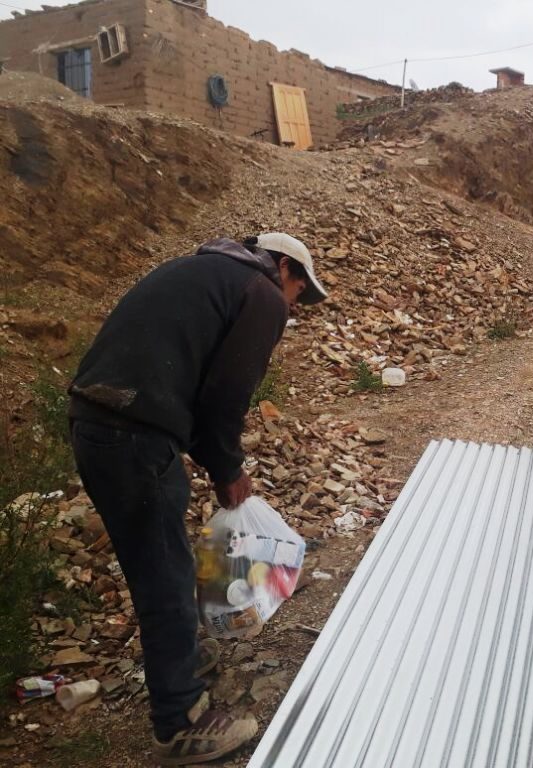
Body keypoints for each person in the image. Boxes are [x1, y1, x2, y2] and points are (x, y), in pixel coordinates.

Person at [68, 233, 328, 764]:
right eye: (299, 292)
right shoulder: (259, 292)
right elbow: (226, 394)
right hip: (134, 433)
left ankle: (182, 655)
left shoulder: (201, 272)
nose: (294, 306)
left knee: (157, 559)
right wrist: (228, 469)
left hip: (97, 422)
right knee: (163, 574)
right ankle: (180, 721)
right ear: (284, 268)